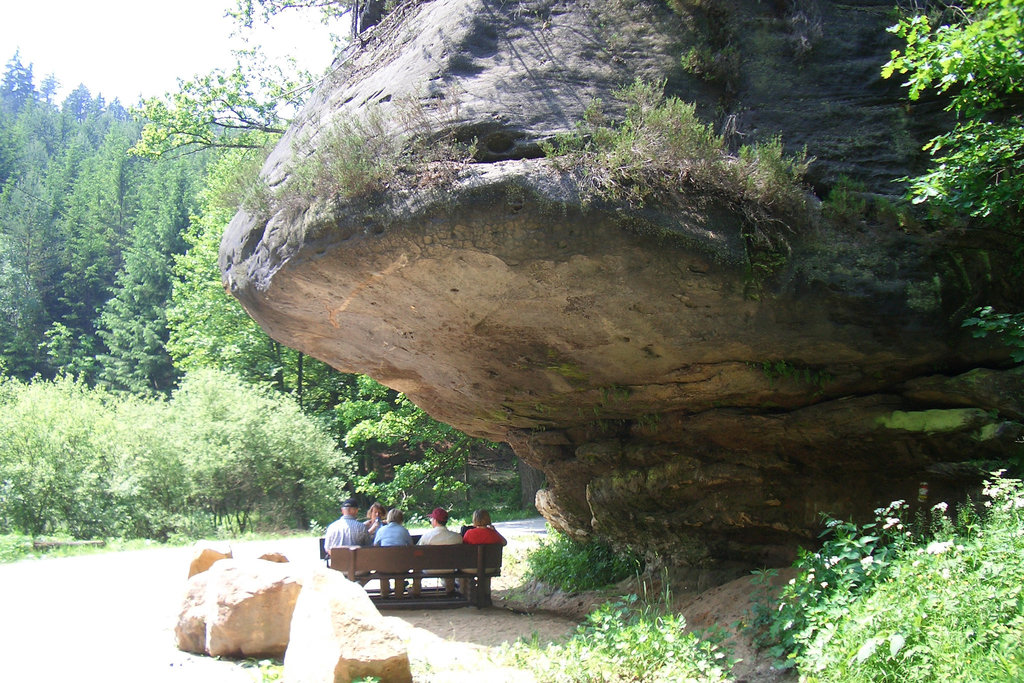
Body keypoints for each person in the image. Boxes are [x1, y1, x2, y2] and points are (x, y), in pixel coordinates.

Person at [417, 507, 463, 596]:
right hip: (450, 569)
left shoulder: (426, 537)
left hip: (429, 569)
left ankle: (416, 591)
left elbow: (417, 552)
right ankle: (450, 590)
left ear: (435, 520)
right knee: (449, 563)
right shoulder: (457, 537)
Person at [373, 508, 413, 597]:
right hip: (401, 567)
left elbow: (375, 546)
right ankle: (399, 595)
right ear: (401, 519)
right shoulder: (404, 531)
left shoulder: (381, 530)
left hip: (384, 567)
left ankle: (384, 594)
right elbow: (411, 547)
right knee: (400, 564)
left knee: (383, 565)